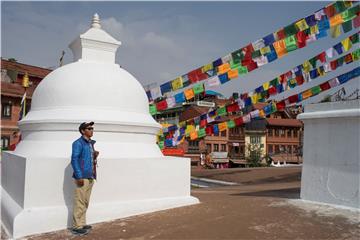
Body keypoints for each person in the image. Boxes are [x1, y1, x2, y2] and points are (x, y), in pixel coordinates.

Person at [71, 121, 99, 236]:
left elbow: (86, 158)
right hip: (82, 176)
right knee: (80, 201)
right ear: (83, 131)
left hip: (90, 175)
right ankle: (76, 226)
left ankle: (82, 223)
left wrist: (94, 155)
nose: (91, 130)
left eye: (92, 128)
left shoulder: (90, 143)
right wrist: (79, 175)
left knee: (85, 202)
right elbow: (74, 159)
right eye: (89, 128)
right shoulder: (78, 143)